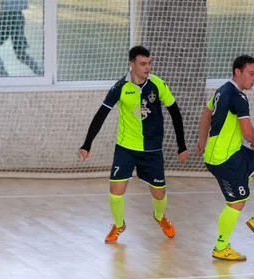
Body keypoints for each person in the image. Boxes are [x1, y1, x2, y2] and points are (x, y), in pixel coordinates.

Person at [79, 45, 188, 244]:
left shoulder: (158, 85)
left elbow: (175, 112)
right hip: (126, 148)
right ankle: (119, 224)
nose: (148, 68)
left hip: (152, 149)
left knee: (159, 193)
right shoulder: (120, 87)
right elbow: (101, 114)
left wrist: (181, 145)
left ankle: (159, 216)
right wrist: (87, 143)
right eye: (143, 64)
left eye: (149, 63)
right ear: (132, 64)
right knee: (115, 192)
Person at [196, 55, 254, 261]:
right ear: (238, 72)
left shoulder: (222, 90)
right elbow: (247, 132)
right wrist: (253, 139)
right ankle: (221, 247)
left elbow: (207, 114)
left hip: (235, 151)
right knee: (236, 203)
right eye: (251, 74)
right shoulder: (238, 97)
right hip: (223, 158)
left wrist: (201, 139)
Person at [0, 0, 43, 77]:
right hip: (17, 15)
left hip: (5, 16)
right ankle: (39, 73)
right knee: (20, 53)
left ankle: (4, 76)